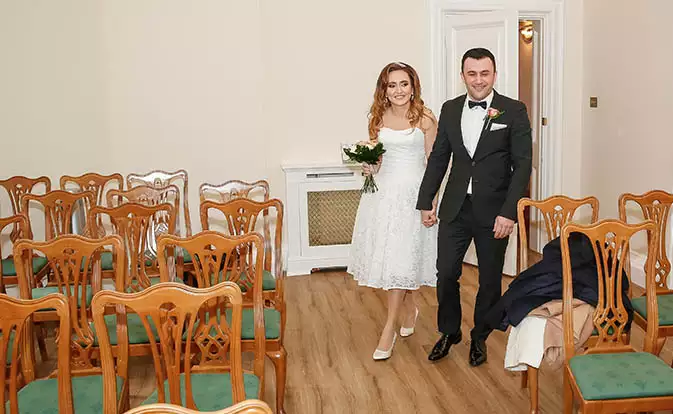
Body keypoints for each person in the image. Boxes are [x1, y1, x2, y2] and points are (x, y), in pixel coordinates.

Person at [416, 47, 532, 366]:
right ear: (463, 75)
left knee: (490, 279)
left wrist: (509, 212)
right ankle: (449, 331)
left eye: (484, 73)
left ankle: (479, 336)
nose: (478, 80)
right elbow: (440, 157)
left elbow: (523, 165)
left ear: (494, 75)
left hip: (495, 211)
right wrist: (427, 200)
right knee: (446, 274)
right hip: (455, 207)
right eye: (472, 73)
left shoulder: (513, 110)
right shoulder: (450, 109)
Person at [348, 61, 439, 360]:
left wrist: (431, 202)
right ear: (383, 90)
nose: (399, 90)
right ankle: (410, 306)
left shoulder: (425, 118)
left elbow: (434, 166)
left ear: (413, 86)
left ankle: (388, 329)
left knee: (402, 257)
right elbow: (376, 165)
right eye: (392, 85)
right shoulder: (377, 118)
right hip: (383, 197)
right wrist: (367, 166)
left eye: (404, 84)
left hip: (413, 197)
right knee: (394, 260)